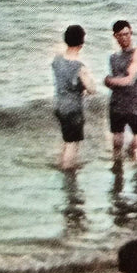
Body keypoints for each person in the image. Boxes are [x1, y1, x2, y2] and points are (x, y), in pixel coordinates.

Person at [52, 24, 96, 170]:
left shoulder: (57, 60)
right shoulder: (80, 67)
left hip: (59, 106)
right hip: (73, 109)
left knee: (67, 139)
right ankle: (68, 170)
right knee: (73, 143)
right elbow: (92, 89)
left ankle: (63, 165)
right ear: (82, 43)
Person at [104, 20, 137, 162]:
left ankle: (132, 162)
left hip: (134, 101)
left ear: (131, 33)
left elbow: (129, 80)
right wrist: (110, 82)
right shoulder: (113, 57)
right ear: (115, 36)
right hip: (118, 102)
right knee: (117, 139)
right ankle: (118, 166)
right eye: (121, 35)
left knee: (136, 138)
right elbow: (120, 82)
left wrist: (108, 81)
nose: (125, 38)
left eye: (127, 34)